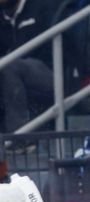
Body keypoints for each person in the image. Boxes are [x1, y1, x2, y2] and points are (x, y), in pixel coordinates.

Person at [0, 0, 53, 152]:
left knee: (9, 66)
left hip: (48, 71)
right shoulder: (3, 15)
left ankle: (21, 140)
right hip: (10, 73)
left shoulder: (39, 7)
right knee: (7, 67)